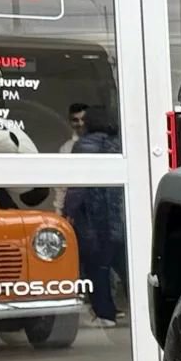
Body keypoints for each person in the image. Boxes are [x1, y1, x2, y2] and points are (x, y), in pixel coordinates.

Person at [65, 106, 125, 328]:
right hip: (119, 215)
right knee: (125, 265)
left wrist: (68, 212)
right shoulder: (119, 144)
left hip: (94, 217)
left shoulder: (84, 145)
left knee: (97, 268)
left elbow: (77, 186)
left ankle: (105, 314)